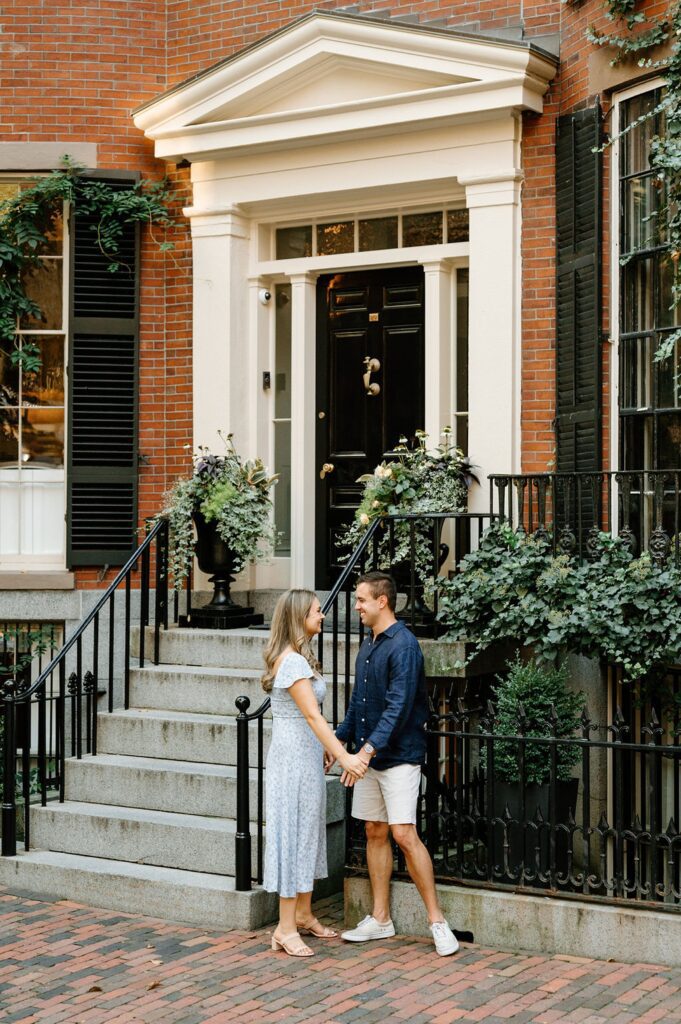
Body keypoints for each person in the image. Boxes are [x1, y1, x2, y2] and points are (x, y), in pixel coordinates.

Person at [334, 570, 459, 956]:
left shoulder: (403, 646)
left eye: (361, 600)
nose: (356, 607)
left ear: (382, 601)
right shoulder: (368, 644)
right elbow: (361, 702)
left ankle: (437, 922)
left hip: (399, 755)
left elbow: (398, 708)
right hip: (369, 756)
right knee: (374, 830)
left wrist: (365, 752)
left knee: (403, 833)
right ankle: (380, 919)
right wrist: (339, 738)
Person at [261, 588, 368, 958]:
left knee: (308, 831)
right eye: (317, 611)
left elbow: (310, 719)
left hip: (305, 757)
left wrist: (323, 748)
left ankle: (304, 914)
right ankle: (284, 928)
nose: (322, 616)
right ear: (297, 617)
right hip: (291, 762)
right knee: (292, 834)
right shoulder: (291, 662)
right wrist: (344, 754)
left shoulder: (300, 657)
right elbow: (311, 715)